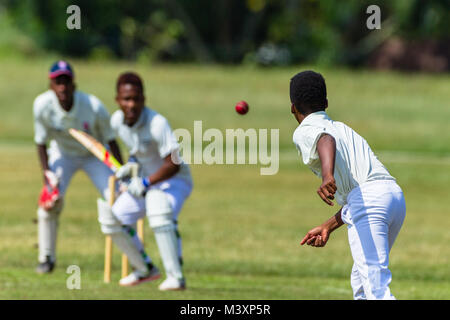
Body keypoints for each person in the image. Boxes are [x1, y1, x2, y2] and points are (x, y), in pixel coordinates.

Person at [290, 70, 406, 300]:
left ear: (293, 107)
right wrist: (328, 226)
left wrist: (327, 175)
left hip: (370, 200)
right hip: (392, 197)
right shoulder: (344, 128)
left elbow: (325, 140)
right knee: (362, 283)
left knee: (377, 289)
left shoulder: (305, 131)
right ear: (325, 103)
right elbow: (360, 195)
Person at [103, 72, 192, 290]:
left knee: (157, 207)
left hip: (174, 181)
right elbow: (127, 147)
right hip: (145, 181)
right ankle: (144, 269)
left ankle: (176, 277)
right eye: (126, 99)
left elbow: (173, 164)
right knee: (113, 218)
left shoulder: (157, 123)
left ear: (144, 99)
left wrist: (144, 183)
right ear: (117, 100)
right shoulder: (116, 121)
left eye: (136, 99)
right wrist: (126, 168)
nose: (131, 104)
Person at [33, 60, 123, 273]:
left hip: (94, 155)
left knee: (117, 200)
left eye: (66, 81)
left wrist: (121, 173)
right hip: (62, 154)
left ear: (74, 85)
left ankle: (133, 260)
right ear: (51, 85)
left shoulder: (92, 106)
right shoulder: (42, 105)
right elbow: (40, 142)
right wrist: (47, 175)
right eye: (58, 82)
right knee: (49, 203)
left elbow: (111, 140)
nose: (62, 86)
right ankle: (46, 257)